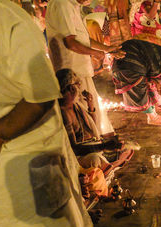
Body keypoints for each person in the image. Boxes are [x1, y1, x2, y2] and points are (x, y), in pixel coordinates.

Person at [0, 1, 100, 227]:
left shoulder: (3, 19)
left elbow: (42, 96)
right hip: (10, 177)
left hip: (25, 163)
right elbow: (44, 95)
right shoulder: (4, 17)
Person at [46, 0, 125, 135]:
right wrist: (95, 53)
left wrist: (107, 48)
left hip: (80, 70)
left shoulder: (73, 6)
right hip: (71, 72)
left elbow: (84, 39)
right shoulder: (62, 4)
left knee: (91, 110)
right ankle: (91, 145)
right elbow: (70, 43)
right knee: (81, 115)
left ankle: (97, 142)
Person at [112, 39, 161, 126]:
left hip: (123, 59)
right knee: (141, 89)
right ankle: (152, 117)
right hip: (130, 64)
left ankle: (152, 113)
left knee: (149, 85)